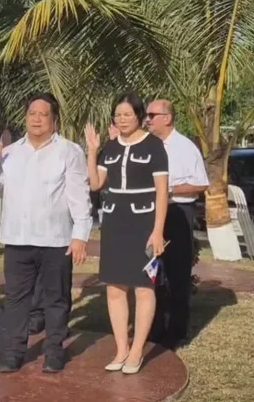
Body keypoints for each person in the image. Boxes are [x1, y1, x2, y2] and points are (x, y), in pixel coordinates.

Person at [0, 92, 91, 374]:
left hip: (56, 240)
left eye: (43, 114)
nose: (37, 119)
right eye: (32, 114)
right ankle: (15, 351)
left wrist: (80, 235)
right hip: (17, 240)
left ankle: (54, 350)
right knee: (16, 300)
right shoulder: (10, 151)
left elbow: (80, 196)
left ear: (54, 120)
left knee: (56, 298)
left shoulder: (70, 151)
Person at [84, 92, 169, 374]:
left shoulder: (155, 146)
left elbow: (161, 193)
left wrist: (158, 232)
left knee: (144, 287)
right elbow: (96, 184)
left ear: (139, 116)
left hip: (144, 225)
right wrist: (93, 150)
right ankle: (121, 349)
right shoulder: (110, 147)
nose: (121, 120)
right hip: (114, 224)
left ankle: (136, 351)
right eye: (117, 115)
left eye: (127, 115)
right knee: (114, 287)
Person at [145, 99, 209, 350]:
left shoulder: (184, 148)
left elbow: (201, 184)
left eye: (152, 114)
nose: (147, 119)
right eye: (147, 114)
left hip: (177, 212)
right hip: (150, 214)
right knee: (151, 273)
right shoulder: (148, 145)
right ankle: (154, 327)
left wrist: (169, 190)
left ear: (168, 118)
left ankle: (177, 332)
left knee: (177, 273)